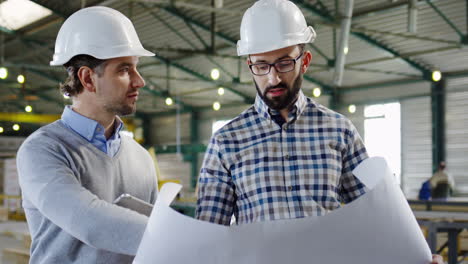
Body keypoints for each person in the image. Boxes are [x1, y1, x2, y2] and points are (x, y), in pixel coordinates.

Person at [196, 1, 444, 263]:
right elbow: (207, 235)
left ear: (305, 61)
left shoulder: (339, 131)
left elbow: (378, 213)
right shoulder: (226, 142)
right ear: (250, 66)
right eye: (261, 66)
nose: (273, 78)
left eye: (284, 63)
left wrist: (419, 256)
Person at [16, 6, 157, 263]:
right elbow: (88, 221)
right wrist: (185, 236)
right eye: (125, 70)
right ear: (88, 79)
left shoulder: (141, 159)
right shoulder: (43, 150)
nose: (139, 81)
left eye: (136, 68)